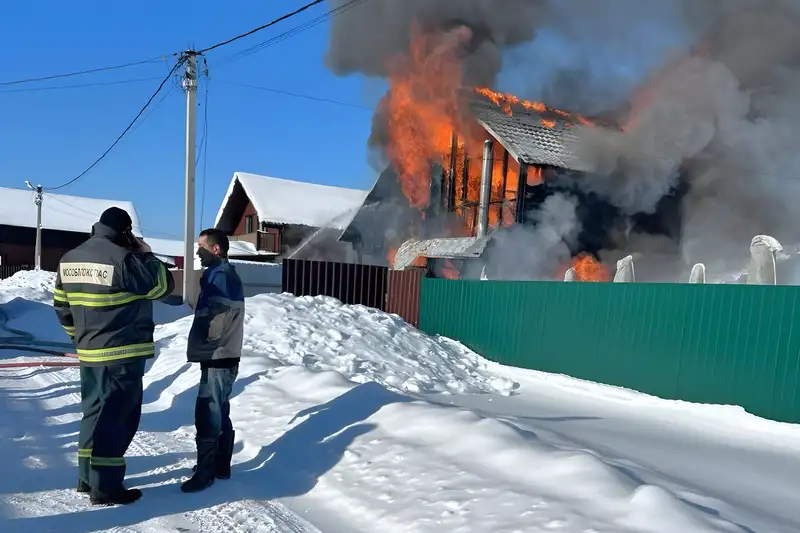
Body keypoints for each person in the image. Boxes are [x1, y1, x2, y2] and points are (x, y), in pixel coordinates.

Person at [53, 207, 174, 506]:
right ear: (126, 231)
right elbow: (162, 285)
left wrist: (80, 339)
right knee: (116, 419)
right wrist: (146, 253)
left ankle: (86, 478)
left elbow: (62, 308)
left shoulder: (69, 259)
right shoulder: (124, 259)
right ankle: (106, 488)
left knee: (93, 415)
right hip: (122, 353)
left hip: (90, 353)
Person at [181, 228, 244, 493]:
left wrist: (207, 344)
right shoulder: (219, 274)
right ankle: (220, 465)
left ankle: (207, 472)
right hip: (221, 354)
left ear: (215, 249)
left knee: (208, 412)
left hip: (219, 355)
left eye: (201, 246)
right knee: (220, 409)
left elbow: (220, 315)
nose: (197, 252)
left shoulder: (221, 276)